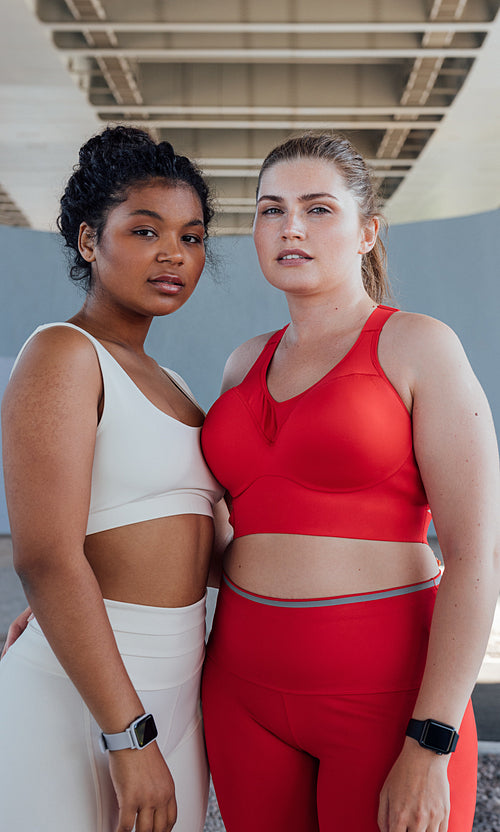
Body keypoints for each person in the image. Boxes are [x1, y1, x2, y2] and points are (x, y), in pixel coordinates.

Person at [200, 132, 500, 832]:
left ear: (367, 231)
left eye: (317, 208)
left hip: (385, 699)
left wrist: (431, 741)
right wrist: (95, 592)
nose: (290, 227)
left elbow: (476, 555)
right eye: (271, 210)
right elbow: (197, 529)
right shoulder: (243, 364)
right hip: (242, 692)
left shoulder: (418, 345)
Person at [0, 125, 226, 832]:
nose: (173, 254)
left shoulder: (174, 382)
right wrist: (130, 737)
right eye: (145, 230)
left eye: (191, 237)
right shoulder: (62, 353)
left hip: (178, 695)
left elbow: (186, 545)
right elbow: (45, 557)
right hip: (86, 704)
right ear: (89, 241)